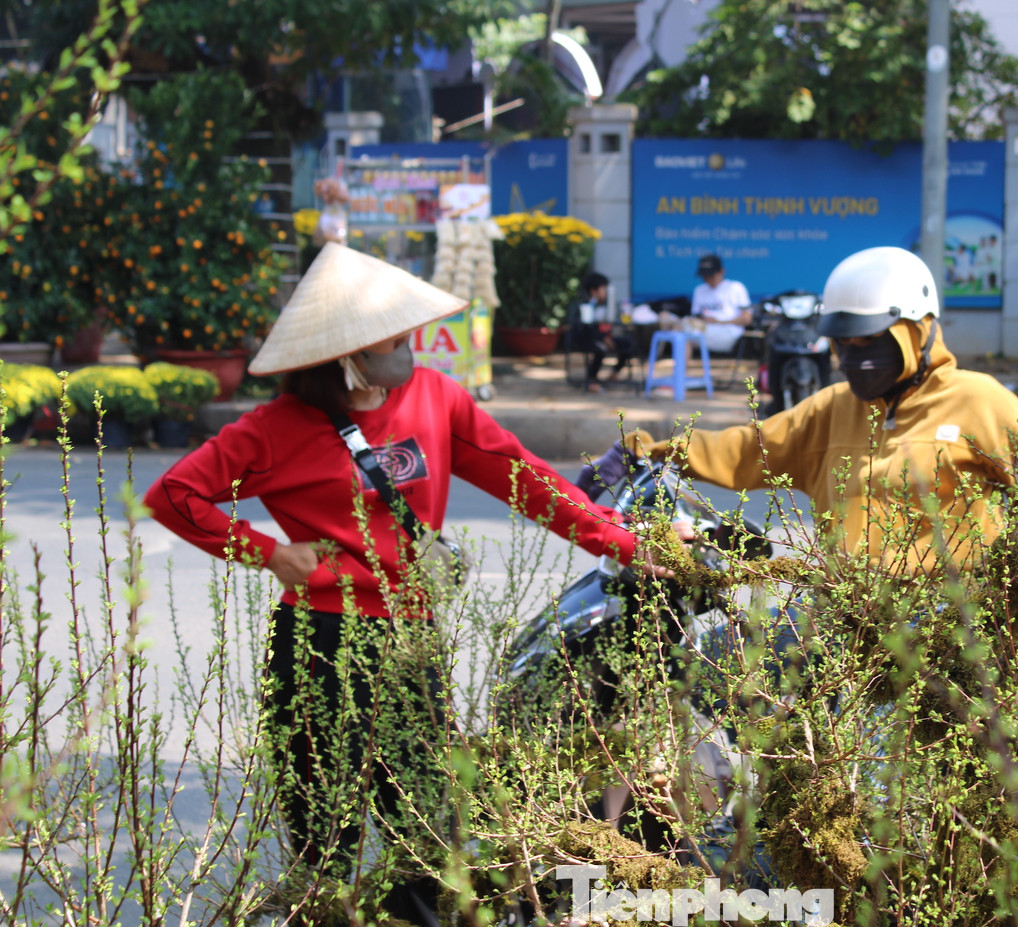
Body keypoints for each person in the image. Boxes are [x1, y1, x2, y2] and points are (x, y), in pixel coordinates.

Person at [144, 243, 674, 926]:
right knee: (323, 829)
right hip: (319, 646)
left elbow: (526, 480)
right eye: (392, 336)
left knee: (426, 822)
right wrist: (268, 552)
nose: (409, 344)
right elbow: (174, 495)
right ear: (345, 352)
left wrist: (627, 542)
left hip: (411, 641)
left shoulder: (435, 398)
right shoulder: (275, 429)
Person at [592, 247, 1018, 670]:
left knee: (876, 771)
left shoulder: (982, 402)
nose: (855, 357)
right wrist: (648, 449)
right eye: (844, 344)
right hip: (842, 613)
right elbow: (748, 449)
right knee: (704, 669)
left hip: (942, 623)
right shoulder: (834, 409)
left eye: (871, 342)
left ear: (918, 331)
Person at [575, 271, 634, 393]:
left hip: (605, 337)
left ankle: (615, 374)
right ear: (593, 290)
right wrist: (605, 339)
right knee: (600, 349)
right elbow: (586, 329)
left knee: (628, 344)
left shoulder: (606, 305)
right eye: (603, 288)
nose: (606, 292)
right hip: (588, 339)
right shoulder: (584, 306)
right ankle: (591, 380)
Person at [690, 254, 752, 354]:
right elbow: (695, 317)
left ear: (721, 272)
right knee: (679, 331)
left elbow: (747, 319)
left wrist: (718, 322)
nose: (708, 279)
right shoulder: (699, 290)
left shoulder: (735, 287)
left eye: (711, 275)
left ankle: (680, 369)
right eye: (705, 276)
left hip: (729, 333)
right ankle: (679, 369)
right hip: (702, 331)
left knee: (683, 333)